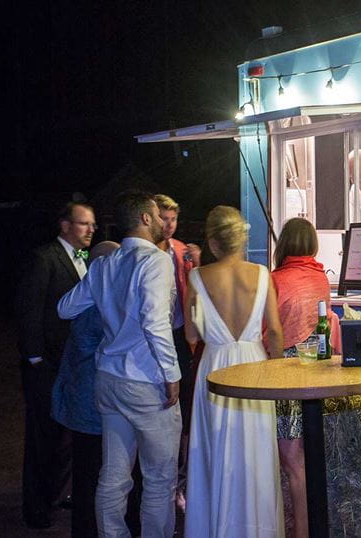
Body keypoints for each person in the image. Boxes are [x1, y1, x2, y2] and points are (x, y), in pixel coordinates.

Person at [57, 191, 182, 538]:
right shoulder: (154, 261)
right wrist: (172, 375)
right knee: (159, 477)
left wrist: (105, 299)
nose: (162, 222)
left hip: (109, 378)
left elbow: (65, 308)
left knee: (113, 475)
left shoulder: (103, 264)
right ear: (144, 218)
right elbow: (155, 322)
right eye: (158, 216)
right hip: (146, 380)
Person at [184, 206, 284, 538]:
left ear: (212, 242)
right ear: (243, 238)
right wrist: (278, 373)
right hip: (255, 366)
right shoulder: (261, 274)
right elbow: (275, 332)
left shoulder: (197, 278)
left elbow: (191, 334)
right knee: (256, 454)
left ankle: (217, 527)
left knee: (215, 451)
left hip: (215, 367)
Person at [15, 201, 95, 529]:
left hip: (73, 364)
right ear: (64, 226)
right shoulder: (44, 258)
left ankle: (55, 496)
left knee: (66, 440)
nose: (91, 229)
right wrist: (35, 358)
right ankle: (36, 509)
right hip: (46, 365)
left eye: (92, 224)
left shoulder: (88, 262)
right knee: (42, 440)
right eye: (83, 224)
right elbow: (29, 308)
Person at [270, 217, 342, 538]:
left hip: (287, 373)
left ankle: (299, 531)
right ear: (311, 245)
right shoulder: (320, 279)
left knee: (290, 459)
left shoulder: (275, 281)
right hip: (318, 371)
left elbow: (270, 333)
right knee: (305, 457)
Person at [51, 241, 119, 537]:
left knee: (86, 473)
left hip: (83, 402)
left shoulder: (84, 300)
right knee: (92, 474)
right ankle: (88, 529)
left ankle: (85, 527)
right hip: (92, 406)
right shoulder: (97, 306)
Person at [153, 194, 201, 508]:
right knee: (159, 405)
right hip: (155, 333)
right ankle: (159, 477)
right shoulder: (144, 252)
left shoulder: (183, 250)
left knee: (184, 405)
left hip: (181, 335)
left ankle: (180, 479)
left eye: (173, 219)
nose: (169, 225)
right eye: (164, 219)